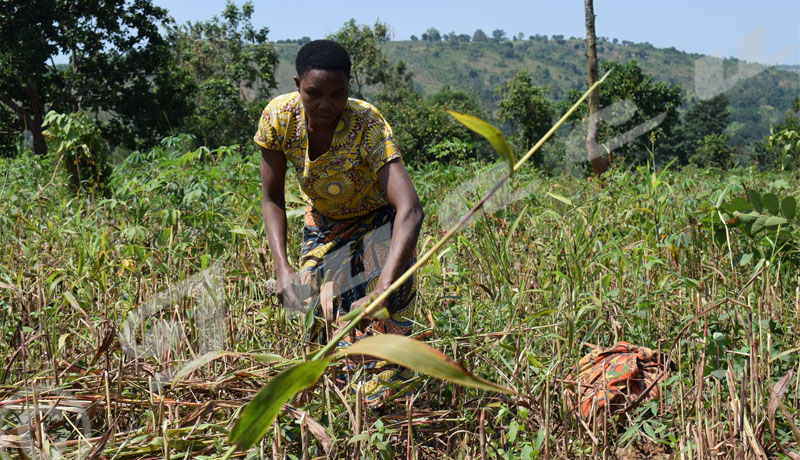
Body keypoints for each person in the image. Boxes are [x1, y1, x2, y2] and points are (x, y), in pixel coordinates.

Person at [255, 39, 424, 340]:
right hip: (324, 224)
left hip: (380, 224)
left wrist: (384, 288)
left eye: (338, 94)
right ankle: (338, 382)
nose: (325, 103)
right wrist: (282, 269)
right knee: (320, 318)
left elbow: (410, 209)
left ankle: (387, 382)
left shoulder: (366, 124)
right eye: (313, 93)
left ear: (349, 86)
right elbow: (272, 199)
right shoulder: (279, 118)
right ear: (298, 84)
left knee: (384, 325)